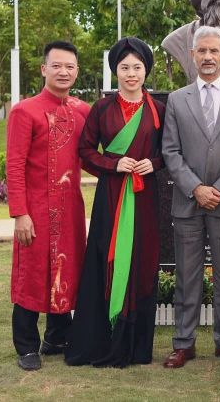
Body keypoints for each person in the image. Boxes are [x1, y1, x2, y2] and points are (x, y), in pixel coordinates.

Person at [65, 37, 165, 368]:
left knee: (141, 261)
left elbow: (169, 152)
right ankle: (102, 340)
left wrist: (155, 163)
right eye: (124, 68)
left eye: (137, 67)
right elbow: (85, 151)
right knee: (105, 260)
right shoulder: (102, 108)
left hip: (145, 199)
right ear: (115, 71)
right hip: (111, 198)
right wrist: (113, 164)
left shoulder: (158, 110)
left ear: (146, 71)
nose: (131, 74)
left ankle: (135, 347)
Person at [161, 25, 220, 369]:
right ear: (192, 54)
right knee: (187, 276)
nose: (207, 57)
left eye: (214, 51)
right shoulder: (177, 99)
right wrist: (196, 188)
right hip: (188, 203)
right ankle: (183, 344)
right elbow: (170, 151)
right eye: (201, 51)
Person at [6, 40, 91, 371]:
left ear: (77, 71)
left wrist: (120, 169)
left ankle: (57, 336)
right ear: (44, 69)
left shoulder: (83, 111)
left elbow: (90, 157)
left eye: (70, 66)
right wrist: (20, 213)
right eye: (57, 66)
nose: (63, 72)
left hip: (70, 209)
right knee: (32, 274)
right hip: (36, 210)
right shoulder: (24, 111)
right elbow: (14, 165)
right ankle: (26, 345)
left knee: (67, 270)